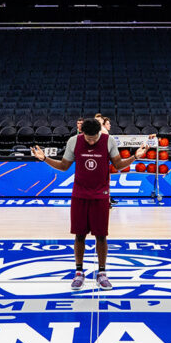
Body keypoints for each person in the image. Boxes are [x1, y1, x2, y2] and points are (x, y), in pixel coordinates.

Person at [31, 119, 147, 290]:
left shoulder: (109, 141)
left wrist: (135, 157)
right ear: (82, 133)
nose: (91, 141)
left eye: (94, 138)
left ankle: (102, 272)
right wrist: (45, 159)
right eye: (88, 138)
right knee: (79, 235)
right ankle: (79, 273)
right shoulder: (73, 141)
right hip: (79, 195)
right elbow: (64, 166)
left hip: (101, 195)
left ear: (99, 133)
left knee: (101, 236)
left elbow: (118, 165)